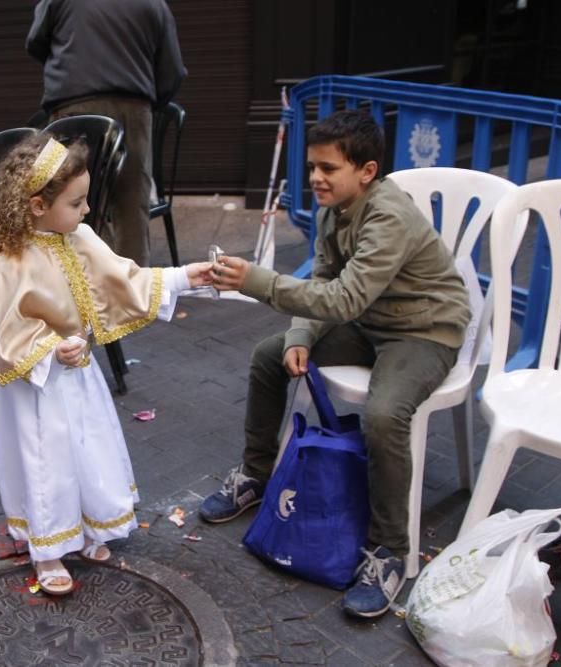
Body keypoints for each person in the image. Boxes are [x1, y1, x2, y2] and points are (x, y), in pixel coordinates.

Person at [199, 110, 471, 618]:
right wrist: (300, 334)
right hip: (369, 320)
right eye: (312, 167)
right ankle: (257, 476)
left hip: (423, 330)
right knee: (268, 355)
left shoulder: (389, 215)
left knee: (385, 415)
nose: (316, 179)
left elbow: (343, 299)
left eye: (328, 168)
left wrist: (256, 281)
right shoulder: (333, 210)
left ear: (366, 171)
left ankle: (389, 549)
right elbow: (326, 279)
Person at [0, 135, 212, 594]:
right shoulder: (8, 263)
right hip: (33, 388)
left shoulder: (79, 236)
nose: (87, 210)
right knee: (45, 461)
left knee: (89, 447)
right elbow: (7, 332)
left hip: (78, 376)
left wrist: (184, 276)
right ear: (37, 206)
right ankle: (49, 550)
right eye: (77, 202)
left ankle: (91, 525)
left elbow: (124, 276)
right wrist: (50, 350)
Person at [26, 0, 186, 267]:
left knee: (72, 202)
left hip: (73, 107)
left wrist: (72, 60)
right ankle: (132, 294)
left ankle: (81, 285)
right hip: (133, 108)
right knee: (131, 207)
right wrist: (147, 104)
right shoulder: (154, 4)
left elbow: (36, 42)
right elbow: (173, 71)